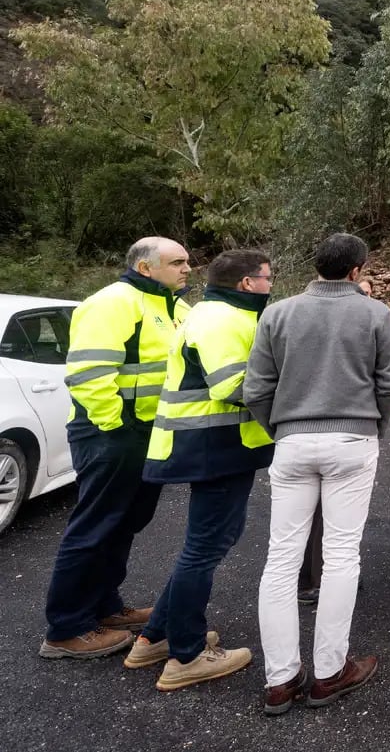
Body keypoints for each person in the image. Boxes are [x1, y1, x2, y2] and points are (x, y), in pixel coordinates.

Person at [247, 233, 390, 715]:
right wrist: (374, 427)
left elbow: (256, 388)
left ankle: (280, 680)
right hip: (353, 440)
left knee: (281, 559)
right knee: (340, 555)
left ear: (317, 266)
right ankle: (329, 672)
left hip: (292, 442)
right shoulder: (374, 314)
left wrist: (281, 430)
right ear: (357, 271)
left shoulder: (277, 314)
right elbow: (389, 382)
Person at [126, 250, 273, 689]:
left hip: (217, 446)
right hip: (213, 447)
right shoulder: (221, 319)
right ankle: (186, 655)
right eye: (267, 278)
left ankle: (155, 637)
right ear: (247, 283)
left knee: (208, 542)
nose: (270, 285)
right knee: (204, 549)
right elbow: (231, 385)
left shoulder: (217, 313)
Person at [40, 237, 190, 660]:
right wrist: (116, 426)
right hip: (112, 433)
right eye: (177, 262)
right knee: (96, 526)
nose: (187, 269)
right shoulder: (112, 303)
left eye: (187, 261)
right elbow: (89, 373)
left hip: (150, 434)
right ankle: (66, 628)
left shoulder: (176, 307)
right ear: (145, 267)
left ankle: (104, 607)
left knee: (125, 523)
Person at [298, 275, 376, 607]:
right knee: (316, 512)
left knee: (340, 514)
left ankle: (334, 574)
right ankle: (312, 581)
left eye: (369, 294)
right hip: (331, 429)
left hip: (344, 429)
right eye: (361, 292)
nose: (365, 299)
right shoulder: (322, 323)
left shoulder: (366, 323)